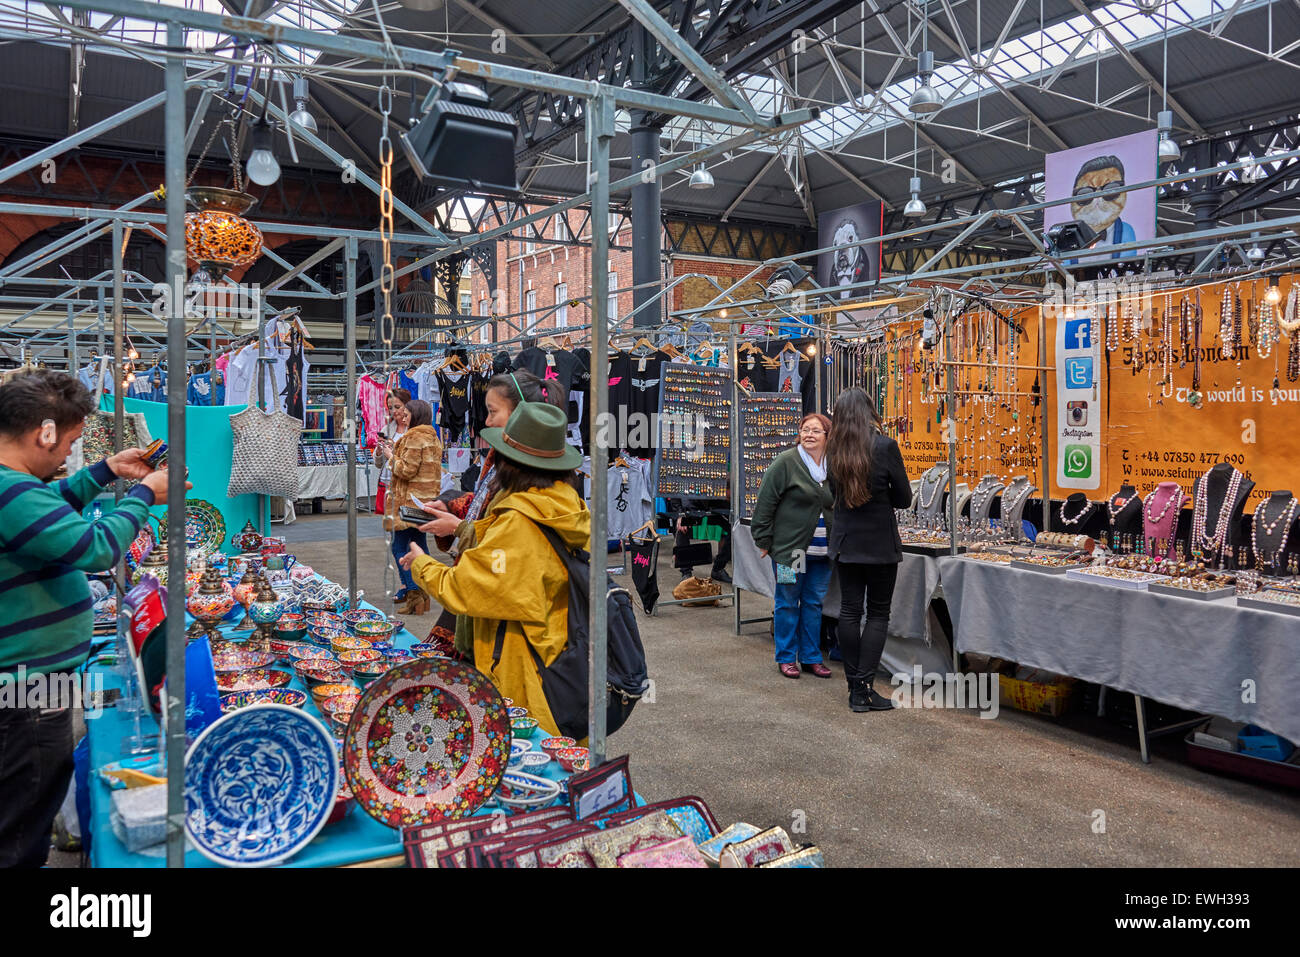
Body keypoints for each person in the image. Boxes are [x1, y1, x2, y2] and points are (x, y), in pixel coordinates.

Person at [0, 369, 183, 867]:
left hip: (27, 684)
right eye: (70, 442)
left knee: (25, 808)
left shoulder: (15, 489)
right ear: (45, 431)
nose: (66, 455)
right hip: (24, 694)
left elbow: (49, 511)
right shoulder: (11, 492)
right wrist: (146, 493)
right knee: (20, 826)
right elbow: (96, 547)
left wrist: (104, 470)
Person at [400, 400, 587, 736]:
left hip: (525, 666)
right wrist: (460, 527)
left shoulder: (519, 518)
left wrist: (421, 565)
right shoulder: (561, 503)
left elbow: (467, 588)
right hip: (559, 652)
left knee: (528, 751)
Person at [414, 369, 567, 656]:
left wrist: (426, 560)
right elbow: (489, 509)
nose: (486, 420)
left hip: (511, 638)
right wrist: (452, 508)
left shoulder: (527, 489)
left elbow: (493, 569)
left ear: (521, 415)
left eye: (493, 411)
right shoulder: (509, 466)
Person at [826, 388, 911, 713]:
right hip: (879, 544)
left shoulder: (833, 451)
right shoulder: (885, 446)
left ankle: (854, 687)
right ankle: (862, 689)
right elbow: (903, 498)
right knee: (877, 614)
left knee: (849, 611)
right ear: (869, 413)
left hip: (847, 542)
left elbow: (834, 494)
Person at [750, 413, 834, 680]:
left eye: (816, 431)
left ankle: (811, 657)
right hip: (791, 553)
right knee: (787, 602)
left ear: (827, 436)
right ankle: (786, 657)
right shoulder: (787, 462)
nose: (809, 434)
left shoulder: (833, 466)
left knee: (813, 603)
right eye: (805, 429)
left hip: (822, 553)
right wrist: (763, 540)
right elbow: (765, 502)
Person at [383, 399, 442, 615]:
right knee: (418, 545)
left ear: (416, 415)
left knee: (400, 547)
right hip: (424, 501)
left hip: (409, 502)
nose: (403, 417)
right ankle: (423, 596)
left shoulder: (414, 437)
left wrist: (391, 457)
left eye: (407, 414)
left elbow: (406, 470)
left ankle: (415, 594)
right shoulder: (432, 437)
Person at [1068, 154, 1137, 258]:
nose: (1097, 198)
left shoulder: (1126, 230)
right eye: (1085, 193)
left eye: (1110, 190)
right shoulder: (1068, 236)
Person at [372, 387, 411, 515]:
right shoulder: (387, 428)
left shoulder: (414, 429)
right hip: (387, 482)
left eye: (397, 406)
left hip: (405, 485)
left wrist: (392, 452)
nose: (393, 411)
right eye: (390, 407)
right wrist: (379, 451)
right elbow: (378, 464)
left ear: (407, 405)